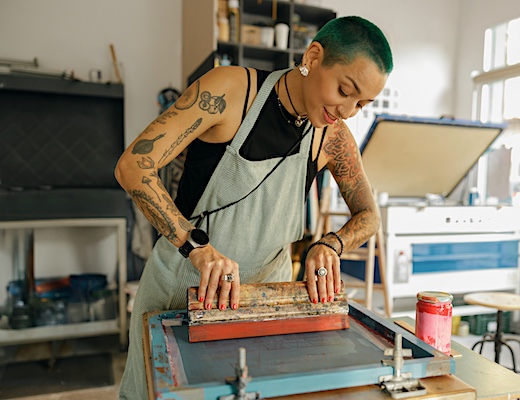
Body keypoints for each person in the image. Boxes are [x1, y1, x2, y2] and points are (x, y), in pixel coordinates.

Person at [114, 15, 393, 399]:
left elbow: (369, 217)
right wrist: (198, 248)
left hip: (260, 305)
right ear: (313, 56)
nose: (348, 110)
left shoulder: (333, 138)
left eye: (362, 103)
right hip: (179, 295)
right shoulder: (228, 91)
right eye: (345, 90)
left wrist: (330, 244)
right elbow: (134, 165)